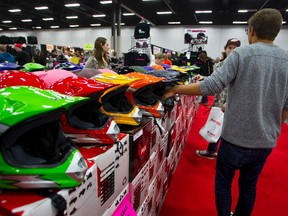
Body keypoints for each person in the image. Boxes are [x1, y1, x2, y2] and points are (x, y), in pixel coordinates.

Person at [163, 8, 288, 216]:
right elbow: (286, 108)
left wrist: (175, 89)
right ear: (276, 32)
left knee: (223, 182)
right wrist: (273, 128)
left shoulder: (241, 54)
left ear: (251, 30)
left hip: (235, 139)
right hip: (265, 142)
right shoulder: (286, 60)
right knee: (249, 186)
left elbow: (211, 86)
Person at [195, 38, 241, 160]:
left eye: (235, 48)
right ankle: (212, 151)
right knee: (216, 127)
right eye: (229, 48)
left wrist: (229, 102)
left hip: (233, 104)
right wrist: (203, 77)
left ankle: (217, 153)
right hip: (219, 102)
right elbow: (214, 81)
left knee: (228, 130)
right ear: (225, 50)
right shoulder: (220, 64)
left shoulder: (241, 66)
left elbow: (241, 88)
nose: (232, 50)